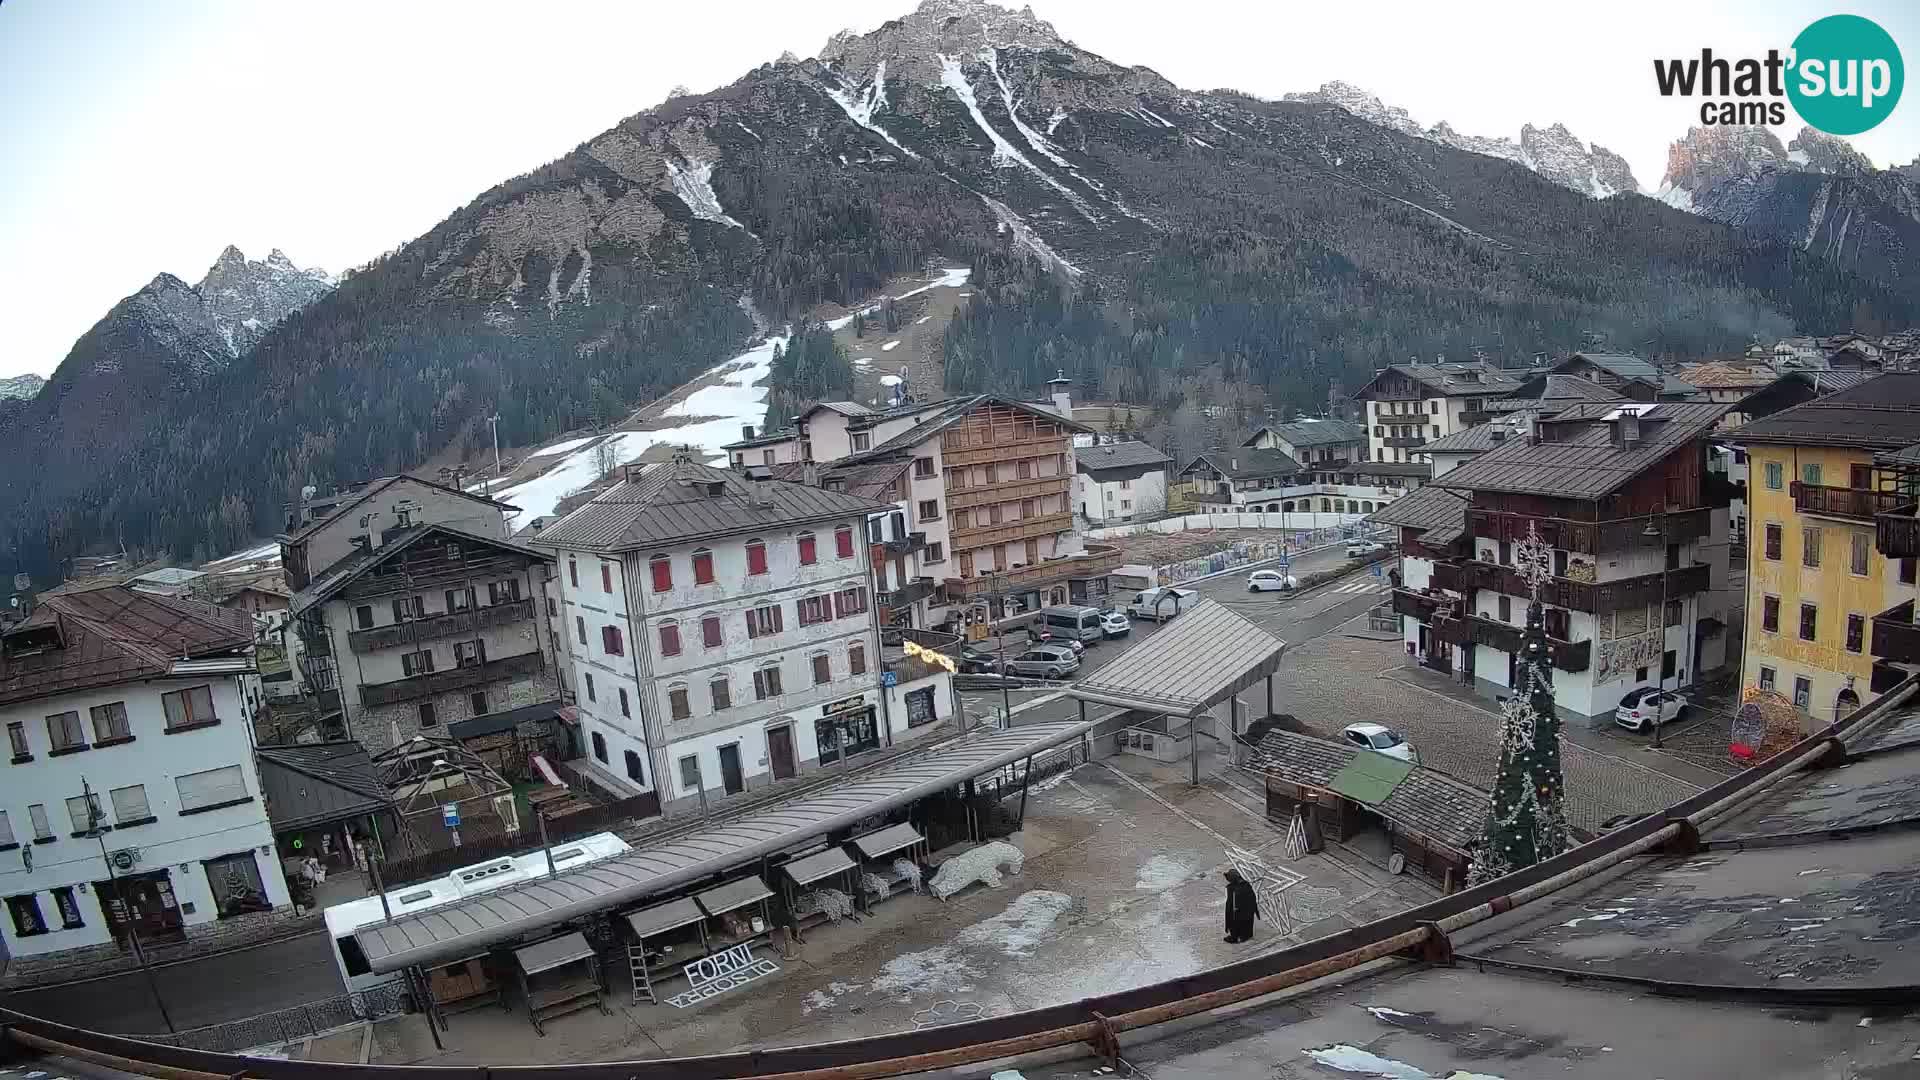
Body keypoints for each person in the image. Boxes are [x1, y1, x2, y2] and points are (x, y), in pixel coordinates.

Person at [1223, 869, 1259, 943]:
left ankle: (1235, 937)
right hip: (1247, 913)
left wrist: (1227, 924)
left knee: (1236, 921)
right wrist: (1255, 910)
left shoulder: (1233, 889)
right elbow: (1253, 899)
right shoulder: (1246, 885)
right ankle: (1244, 935)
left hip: (1238, 913)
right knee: (1246, 922)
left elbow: (1229, 906)